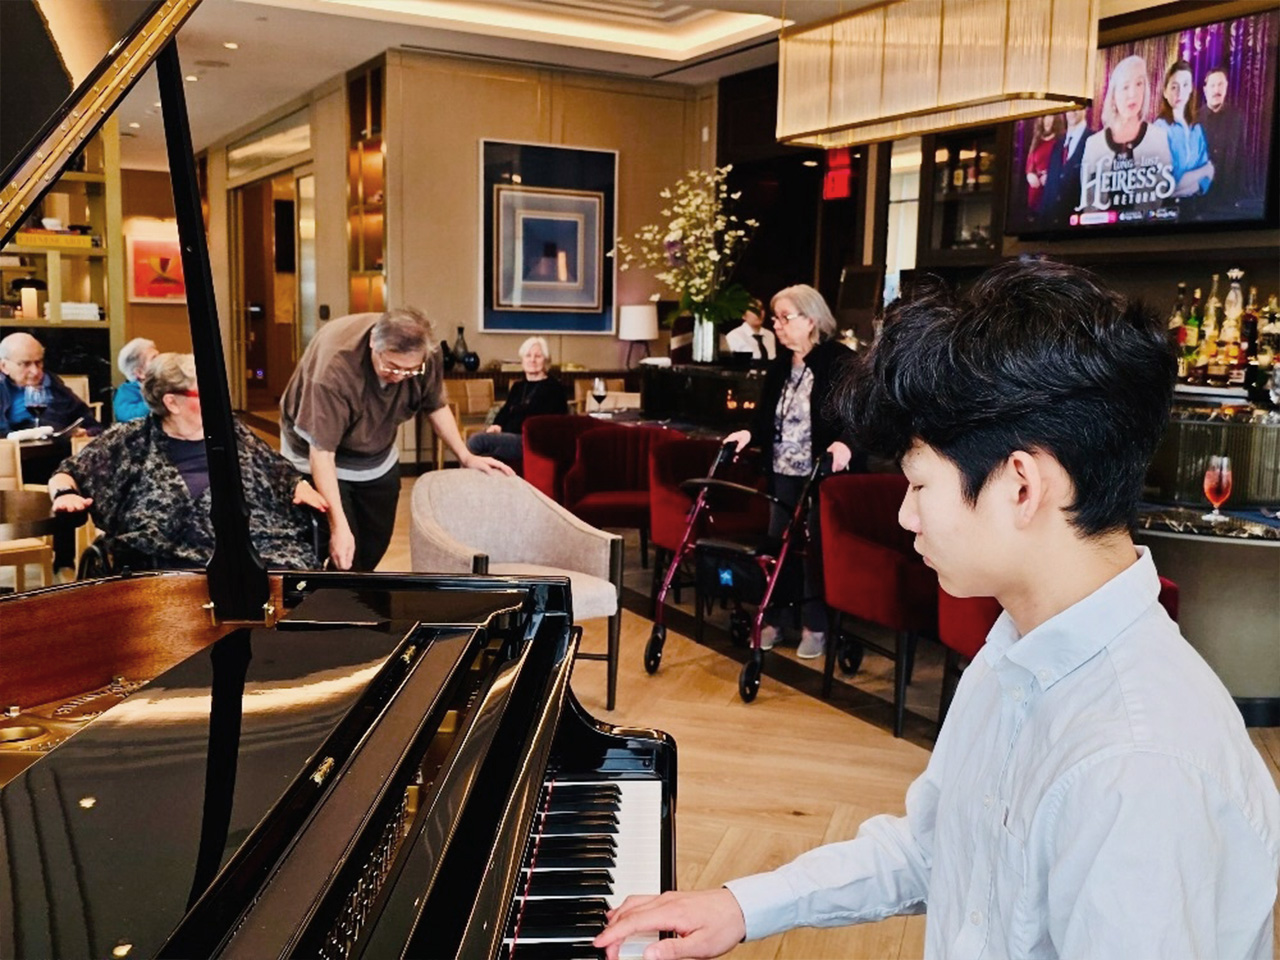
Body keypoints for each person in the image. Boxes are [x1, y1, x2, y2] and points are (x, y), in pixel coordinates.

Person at [594, 259, 1280, 960]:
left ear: (1020, 486)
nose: (905, 513)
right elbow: (936, 847)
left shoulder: (1138, 768)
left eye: (920, 485)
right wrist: (741, 905)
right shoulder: (1017, 645)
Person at [280, 307, 511, 572]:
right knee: (339, 544)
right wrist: (338, 528)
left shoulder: (426, 355)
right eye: (391, 366)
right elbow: (322, 453)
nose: (400, 376)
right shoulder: (334, 369)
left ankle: (356, 595)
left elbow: (435, 405)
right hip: (318, 453)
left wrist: (465, 455)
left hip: (375, 450)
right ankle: (332, 604)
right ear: (372, 346)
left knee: (373, 542)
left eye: (409, 370)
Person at [48, 352, 327, 570]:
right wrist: (65, 493)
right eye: (205, 392)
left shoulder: (232, 432)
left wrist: (297, 486)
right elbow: (67, 472)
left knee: (294, 574)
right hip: (169, 557)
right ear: (172, 402)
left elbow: (277, 470)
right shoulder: (131, 439)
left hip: (255, 545)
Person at [722, 284, 856, 661]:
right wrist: (749, 432)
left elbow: (861, 417)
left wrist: (845, 444)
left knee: (812, 549)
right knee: (777, 544)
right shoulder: (781, 365)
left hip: (822, 473)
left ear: (811, 320)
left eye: (785, 317)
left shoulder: (840, 361)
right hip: (782, 469)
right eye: (776, 318)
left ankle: (816, 624)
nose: (776, 325)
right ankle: (776, 618)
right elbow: (765, 417)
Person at [1079, 55, 1175, 216]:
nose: (1133, 94)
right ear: (1113, 95)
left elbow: (1164, 198)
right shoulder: (1093, 144)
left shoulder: (1158, 138)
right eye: (1125, 87)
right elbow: (1088, 204)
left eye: (1139, 84)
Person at [465, 335, 568, 469]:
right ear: (522, 360)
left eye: (538, 356)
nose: (532, 360)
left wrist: (506, 431)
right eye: (528, 355)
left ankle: (463, 486)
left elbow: (547, 423)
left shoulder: (554, 388)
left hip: (532, 441)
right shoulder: (518, 386)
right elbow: (505, 411)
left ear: (546, 361)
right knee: (484, 452)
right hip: (510, 437)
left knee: (477, 440)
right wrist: (497, 425)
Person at [0, 331, 102, 439]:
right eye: (25, 364)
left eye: (38, 362)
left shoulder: (55, 387)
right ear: (4, 366)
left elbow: (93, 426)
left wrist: (86, 433)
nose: (35, 371)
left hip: (56, 451)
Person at [1153, 59, 1214, 198]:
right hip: (1166, 212)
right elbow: (1166, 186)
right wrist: (1203, 171)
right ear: (1165, 92)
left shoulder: (1197, 130)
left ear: (1191, 89)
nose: (1179, 92)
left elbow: (1207, 180)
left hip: (1195, 209)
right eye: (1174, 87)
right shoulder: (1159, 129)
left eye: (1185, 85)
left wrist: (1185, 184)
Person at [1198, 64, 1246, 211]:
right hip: (1200, 198)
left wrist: (1238, 195)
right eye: (1212, 85)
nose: (1216, 90)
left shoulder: (1237, 117)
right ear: (1205, 89)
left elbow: (1240, 156)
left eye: (1221, 85)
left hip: (1228, 197)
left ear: (1226, 88)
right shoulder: (1194, 119)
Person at [1041, 107, 1089, 223]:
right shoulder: (1057, 145)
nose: (1071, 112)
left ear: (1086, 109)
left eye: (1077, 107)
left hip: (1082, 229)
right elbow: (1049, 190)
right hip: (1049, 230)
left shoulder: (1094, 140)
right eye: (1069, 108)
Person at [1023, 113, 1063, 217]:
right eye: (1045, 117)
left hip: (1051, 191)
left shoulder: (1061, 140)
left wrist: (1051, 177)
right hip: (1035, 191)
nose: (1047, 120)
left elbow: (1064, 165)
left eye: (1050, 116)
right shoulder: (1037, 139)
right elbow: (1029, 164)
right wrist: (1030, 175)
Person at [113, 337, 158, 422]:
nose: (161, 361)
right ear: (140, 372)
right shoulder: (126, 391)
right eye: (154, 359)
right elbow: (127, 416)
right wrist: (159, 401)